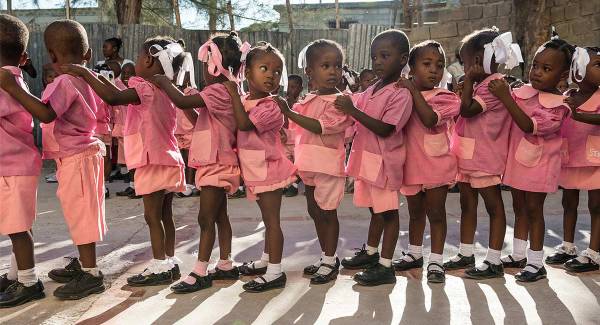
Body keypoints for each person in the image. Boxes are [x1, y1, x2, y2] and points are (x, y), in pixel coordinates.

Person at [62, 35, 189, 287]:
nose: (137, 63)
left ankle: (159, 265)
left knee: (152, 217)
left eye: (141, 58)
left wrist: (85, 74)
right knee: (165, 215)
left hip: (150, 160)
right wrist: (98, 78)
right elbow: (114, 92)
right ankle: (170, 261)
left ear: (150, 61)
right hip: (170, 159)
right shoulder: (166, 90)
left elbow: (112, 97)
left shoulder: (145, 87)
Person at [2, 19, 107, 299]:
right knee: (78, 213)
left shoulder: (64, 82)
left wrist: (14, 88)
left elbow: (46, 114)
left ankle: (92, 274)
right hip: (75, 155)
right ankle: (84, 266)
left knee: (82, 215)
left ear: (50, 54)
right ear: (87, 54)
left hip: (77, 156)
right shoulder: (79, 78)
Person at [151, 32, 247, 293]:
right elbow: (197, 121)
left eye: (206, 64)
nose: (204, 70)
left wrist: (163, 82)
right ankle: (225, 263)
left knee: (205, 219)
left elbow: (181, 100)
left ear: (215, 65)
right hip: (217, 162)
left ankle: (200, 271)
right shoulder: (225, 90)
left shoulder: (218, 90)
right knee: (219, 216)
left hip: (216, 164)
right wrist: (182, 99)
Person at [492, 32, 574, 282]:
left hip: (540, 166)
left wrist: (506, 96)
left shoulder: (558, 106)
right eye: (535, 65)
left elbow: (529, 126)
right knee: (519, 208)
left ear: (561, 77)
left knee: (533, 209)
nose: (537, 72)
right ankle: (518, 255)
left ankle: (537, 263)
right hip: (517, 163)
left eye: (546, 68)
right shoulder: (522, 92)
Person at [335, 30, 413, 286]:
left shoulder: (400, 93)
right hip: (367, 160)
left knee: (389, 213)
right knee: (375, 211)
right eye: (374, 56)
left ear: (403, 59)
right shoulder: (373, 89)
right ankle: (371, 252)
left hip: (385, 164)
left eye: (384, 56)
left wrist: (353, 110)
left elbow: (386, 128)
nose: (377, 61)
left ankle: (386, 266)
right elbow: (353, 102)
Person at [443, 28, 517, 280]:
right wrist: (467, 85)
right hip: (467, 156)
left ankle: (494, 260)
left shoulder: (494, 85)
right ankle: (466, 252)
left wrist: (469, 83)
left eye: (465, 62)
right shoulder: (481, 83)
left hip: (484, 157)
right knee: (467, 204)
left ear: (479, 59)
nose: (464, 67)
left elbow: (468, 111)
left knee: (493, 206)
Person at [227, 43, 298, 291]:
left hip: (269, 172)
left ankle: (276, 272)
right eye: (264, 68)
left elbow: (245, 126)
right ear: (247, 73)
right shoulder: (246, 101)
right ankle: (267, 259)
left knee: (272, 221)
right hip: (255, 171)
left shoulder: (270, 106)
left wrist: (233, 94)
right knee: (267, 221)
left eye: (277, 71)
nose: (271, 75)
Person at [282, 39, 352, 285]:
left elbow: (322, 127)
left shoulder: (342, 102)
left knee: (327, 212)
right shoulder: (308, 100)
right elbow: (297, 131)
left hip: (328, 166)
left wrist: (289, 112)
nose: (333, 71)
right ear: (309, 71)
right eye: (326, 66)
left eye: (337, 66)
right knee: (314, 211)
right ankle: (326, 256)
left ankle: (331, 260)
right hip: (308, 164)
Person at [394, 40, 460, 283]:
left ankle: (436, 260)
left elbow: (430, 119)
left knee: (436, 213)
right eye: (427, 64)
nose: (434, 70)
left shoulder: (446, 97)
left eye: (439, 65)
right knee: (414, 213)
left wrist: (411, 91)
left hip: (436, 165)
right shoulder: (400, 95)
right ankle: (414, 253)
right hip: (409, 164)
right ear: (410, 68)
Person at [0, 14, 45, 308]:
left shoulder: (3, 80)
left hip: (13, 166)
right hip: (17, 165)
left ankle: (29, 282)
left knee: (17, 227)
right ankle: (17, 274)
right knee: (20, 225)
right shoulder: (13, 76)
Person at [556, 46, 600, 272]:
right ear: (579, 69)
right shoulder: (568, 96)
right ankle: (568, 246)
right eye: (597, 65)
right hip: (570, 157)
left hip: (595, 160)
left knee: (596, 205)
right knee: (568, 202)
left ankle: (593, 253)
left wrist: (581, 115)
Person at [281, 74, 303, 197]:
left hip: (297, 140)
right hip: (284, 140)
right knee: (286, 164)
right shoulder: (282, 102)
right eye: (288, 86)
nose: (290, 89)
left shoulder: (302, 104)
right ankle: (288, 184)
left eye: (294, 87)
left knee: (300, 164)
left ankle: (294, 185)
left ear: (300, 88)